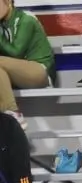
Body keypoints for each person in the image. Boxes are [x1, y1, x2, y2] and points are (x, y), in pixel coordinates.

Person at [0, 0, 55, 130]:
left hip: (40, 71)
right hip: (18, 74)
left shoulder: (26, 19)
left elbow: (16, 52)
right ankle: (8, 118)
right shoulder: (3, 24)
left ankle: (14, 113)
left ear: (8, 2)